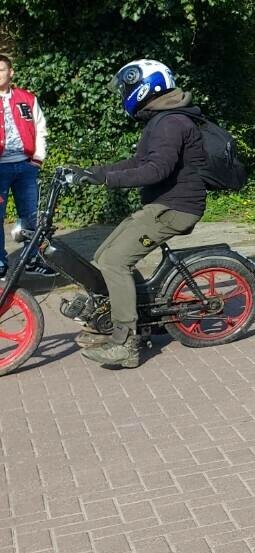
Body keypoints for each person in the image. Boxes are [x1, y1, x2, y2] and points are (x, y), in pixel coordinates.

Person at [61, 60, 207, 369]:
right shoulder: (161, 118)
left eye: (127, 87)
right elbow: (139, 162)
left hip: (174, 208)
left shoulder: (171, 122)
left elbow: (155, 170)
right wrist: (95, 172)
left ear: (145, 86)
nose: (124, 94)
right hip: (162, 205)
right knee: (103, 255)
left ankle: (125, 344)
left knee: (115, 262)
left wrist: (107, 180)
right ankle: (132, 314)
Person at [0, 54, 55, 280]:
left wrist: (37, 159)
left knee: (31, 217)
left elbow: (40, 129)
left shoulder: (27, 98)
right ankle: (0, 263)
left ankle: (32, 259)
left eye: (1, 70)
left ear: (11, 72)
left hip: (25, 166)